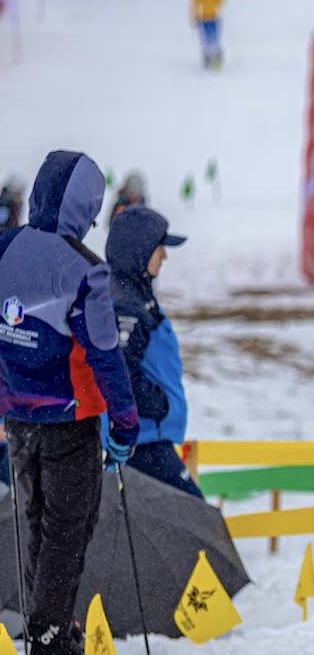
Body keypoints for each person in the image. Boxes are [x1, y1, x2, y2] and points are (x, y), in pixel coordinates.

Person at [0, 151, 139, 655]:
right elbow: (105, 354)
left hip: (16, 413)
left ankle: (46, 621)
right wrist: (125, 425)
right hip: (69, 416)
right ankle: (50, 633)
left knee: (37, 516)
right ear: (84, 205)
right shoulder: (85, 270)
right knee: (70, 524)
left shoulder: (5, 247)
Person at [106, 206, 198, 498]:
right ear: (140, 250)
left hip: (149, 437)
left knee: (171, 525)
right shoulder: (126, 304)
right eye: (160, 247)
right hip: (144, 440)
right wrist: (159, 405)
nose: (165, 255)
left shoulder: (136, 292)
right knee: (192, 513)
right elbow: (119, 371)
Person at [190, 0, 225, 70]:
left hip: (206, 18)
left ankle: (209, 57)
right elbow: (221, 0)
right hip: (212, 17)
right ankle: (215, 56)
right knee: (214, 37)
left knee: (206, 38)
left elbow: (194, 5)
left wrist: (194, 16)